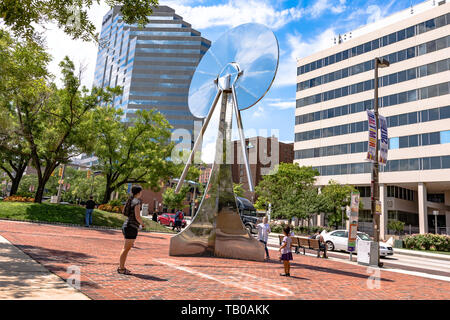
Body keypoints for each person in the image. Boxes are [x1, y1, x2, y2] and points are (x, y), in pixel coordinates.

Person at [118, 186, 144, 275]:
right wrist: (142, 223)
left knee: (126, 248)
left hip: (127, 226)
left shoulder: (132, 200)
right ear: (138, 192)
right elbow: (137, 216)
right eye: (141, 192)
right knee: (126, 248)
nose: (142, 193)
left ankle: (122, 267)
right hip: (131, 227)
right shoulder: (137, 201)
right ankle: (121, 268)